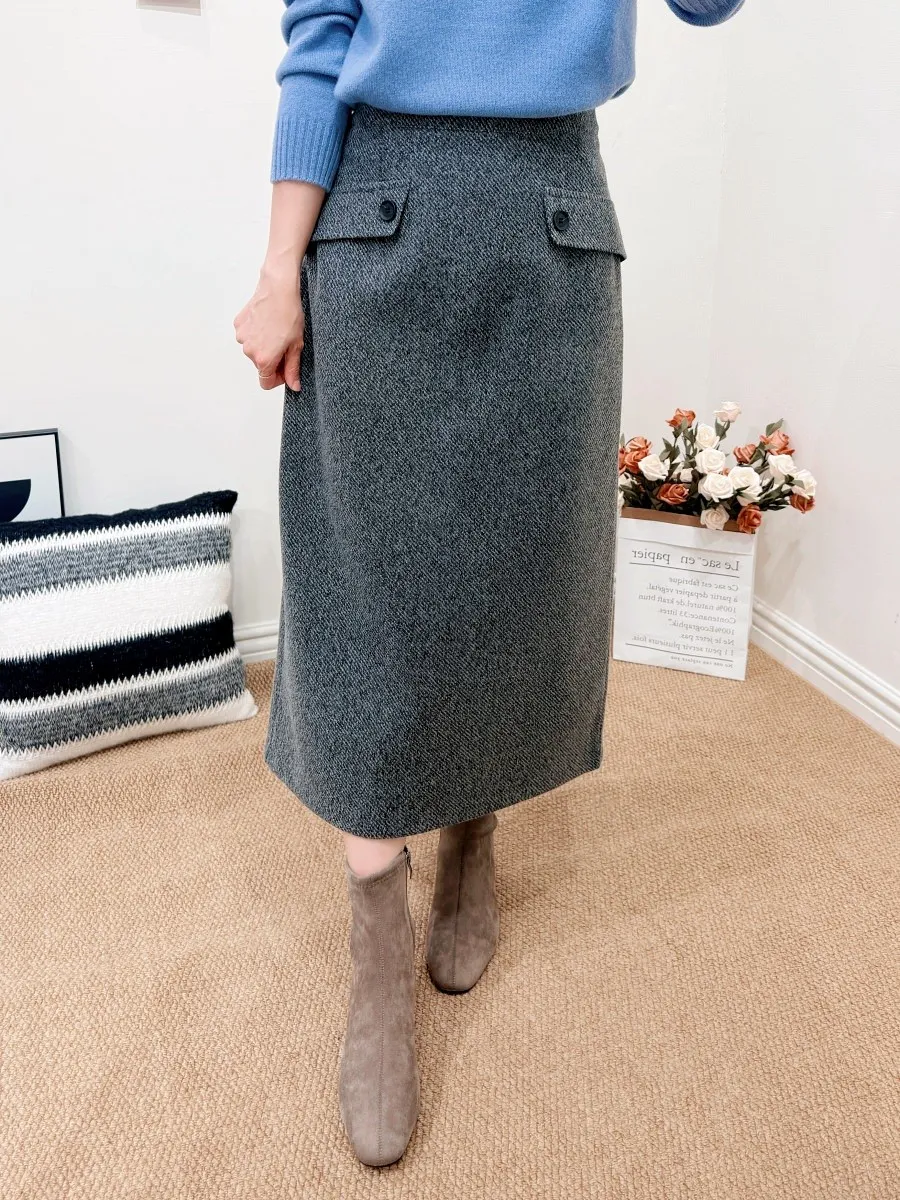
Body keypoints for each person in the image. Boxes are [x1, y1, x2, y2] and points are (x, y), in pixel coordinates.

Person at [234, 0, 746, 1168]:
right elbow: (319, 42)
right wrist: (276, 270)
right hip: (378, 215)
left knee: (523, 572)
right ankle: (377, 942)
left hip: (550, 220)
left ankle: (476, 826)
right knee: (367, 587)